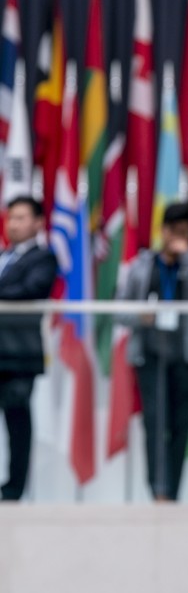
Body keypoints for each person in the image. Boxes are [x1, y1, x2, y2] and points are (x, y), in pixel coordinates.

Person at [116, 202, 188, 501]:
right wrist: (140, 317)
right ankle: (157, 491)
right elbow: (118, 309)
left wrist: (185, 259)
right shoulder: (141, 265)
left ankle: (173, 492)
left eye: (184, 233)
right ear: (162, 231)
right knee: (154, 423)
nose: (177, 238)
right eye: (173, 232)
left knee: (180, 426)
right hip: (150, 356)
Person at [0, 197, 57, 501]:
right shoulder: (3, 256)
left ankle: (14, 488)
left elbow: (32, 288)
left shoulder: (43, 257)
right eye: (11, 217)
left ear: (38, 223)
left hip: (18, 354)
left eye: (21, 218)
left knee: (17, 421)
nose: (13, 223)